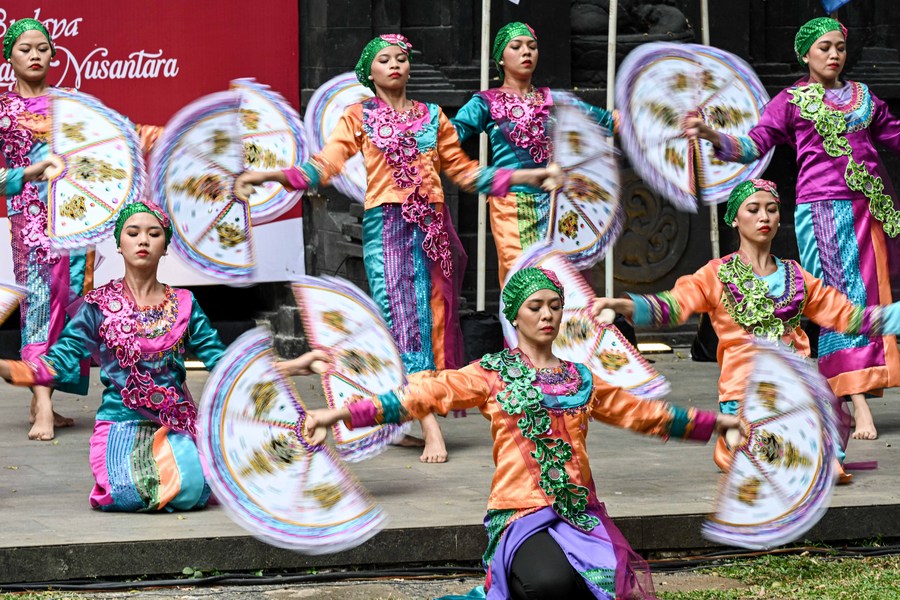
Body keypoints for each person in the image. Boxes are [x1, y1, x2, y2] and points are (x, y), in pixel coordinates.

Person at [300, 266, 738, 600]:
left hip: (578, 512)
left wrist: (714, 423)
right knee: (549, 584)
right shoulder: (492, 374)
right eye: (535, 306)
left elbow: (642, 414)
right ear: (514, 314)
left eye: (555, 305)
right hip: (520, 513)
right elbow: (424, 395)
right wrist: (340, 415)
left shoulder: (581, 378)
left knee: (607, 583)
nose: (547, 315)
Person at [237, 34, 548, 464]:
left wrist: (523, 177)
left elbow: (464, 172)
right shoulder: (358, 116)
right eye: (384, 60)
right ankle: (430, 428)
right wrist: (268, 176)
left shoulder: (432, 116)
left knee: (432, 323)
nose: (395, 64)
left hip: (434, 230)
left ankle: (402, 415)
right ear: (369, 72)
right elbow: (323, 167)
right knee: (404, 323)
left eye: (401, 58)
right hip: (388, 229)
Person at [0, 202, 328, 511]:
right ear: (119, 245)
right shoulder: (97, 306)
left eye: (154, 233)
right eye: (133, 233)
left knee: (193, 488)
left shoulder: (184, 304)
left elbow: (225, 364)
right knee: (126, 492)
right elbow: (53, 364)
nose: (143, 240)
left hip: (175, 425)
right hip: (121, 424)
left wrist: (292, 366)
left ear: (165, 245)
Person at [592, 179, 900, 479]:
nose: (764, 217)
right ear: (735, 219)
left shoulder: (796, 276)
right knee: (777, 466)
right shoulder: (716, 274)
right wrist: (626, 305)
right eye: (753, 209)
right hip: (746, 393)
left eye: (771, 210)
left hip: (795, 393)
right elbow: (675, 304)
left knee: (822, 467)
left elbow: (847, 316)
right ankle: (744, 447)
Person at [684, 17, 900, 441]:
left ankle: (845, 391)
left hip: (870, 209)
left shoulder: (863, 98)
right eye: (824, 48)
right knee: (840, 300)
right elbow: (753, 145)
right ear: (805, 54)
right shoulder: (791, 101)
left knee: (870, 298)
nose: (833, 55)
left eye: (839, 47)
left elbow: (895, 136)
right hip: (824, 212)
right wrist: (710, 134)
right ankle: (856, 403)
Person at [451, 22, 617, 284]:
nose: (526, 52)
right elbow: (450, 134)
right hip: (512, 205)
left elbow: (606, 121)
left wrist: (651, 119)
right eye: (516, 47)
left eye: (532, 46)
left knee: (561, 284)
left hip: (557, 205)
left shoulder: (553, 100)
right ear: (501, 58)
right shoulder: (486, 102)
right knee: (524, 280)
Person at [1, 18, 92, 441]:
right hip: (30, 222)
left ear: (54, 54)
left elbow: (98, 158)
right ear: (9, 57)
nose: (35, 55)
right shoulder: (4, 110)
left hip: (73, 218)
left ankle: (45, 397)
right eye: (25, 49)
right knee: (39, 307)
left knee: (69, 306)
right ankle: (41, 404)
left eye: (42, 48)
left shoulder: (71, 106)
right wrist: (29, 172)